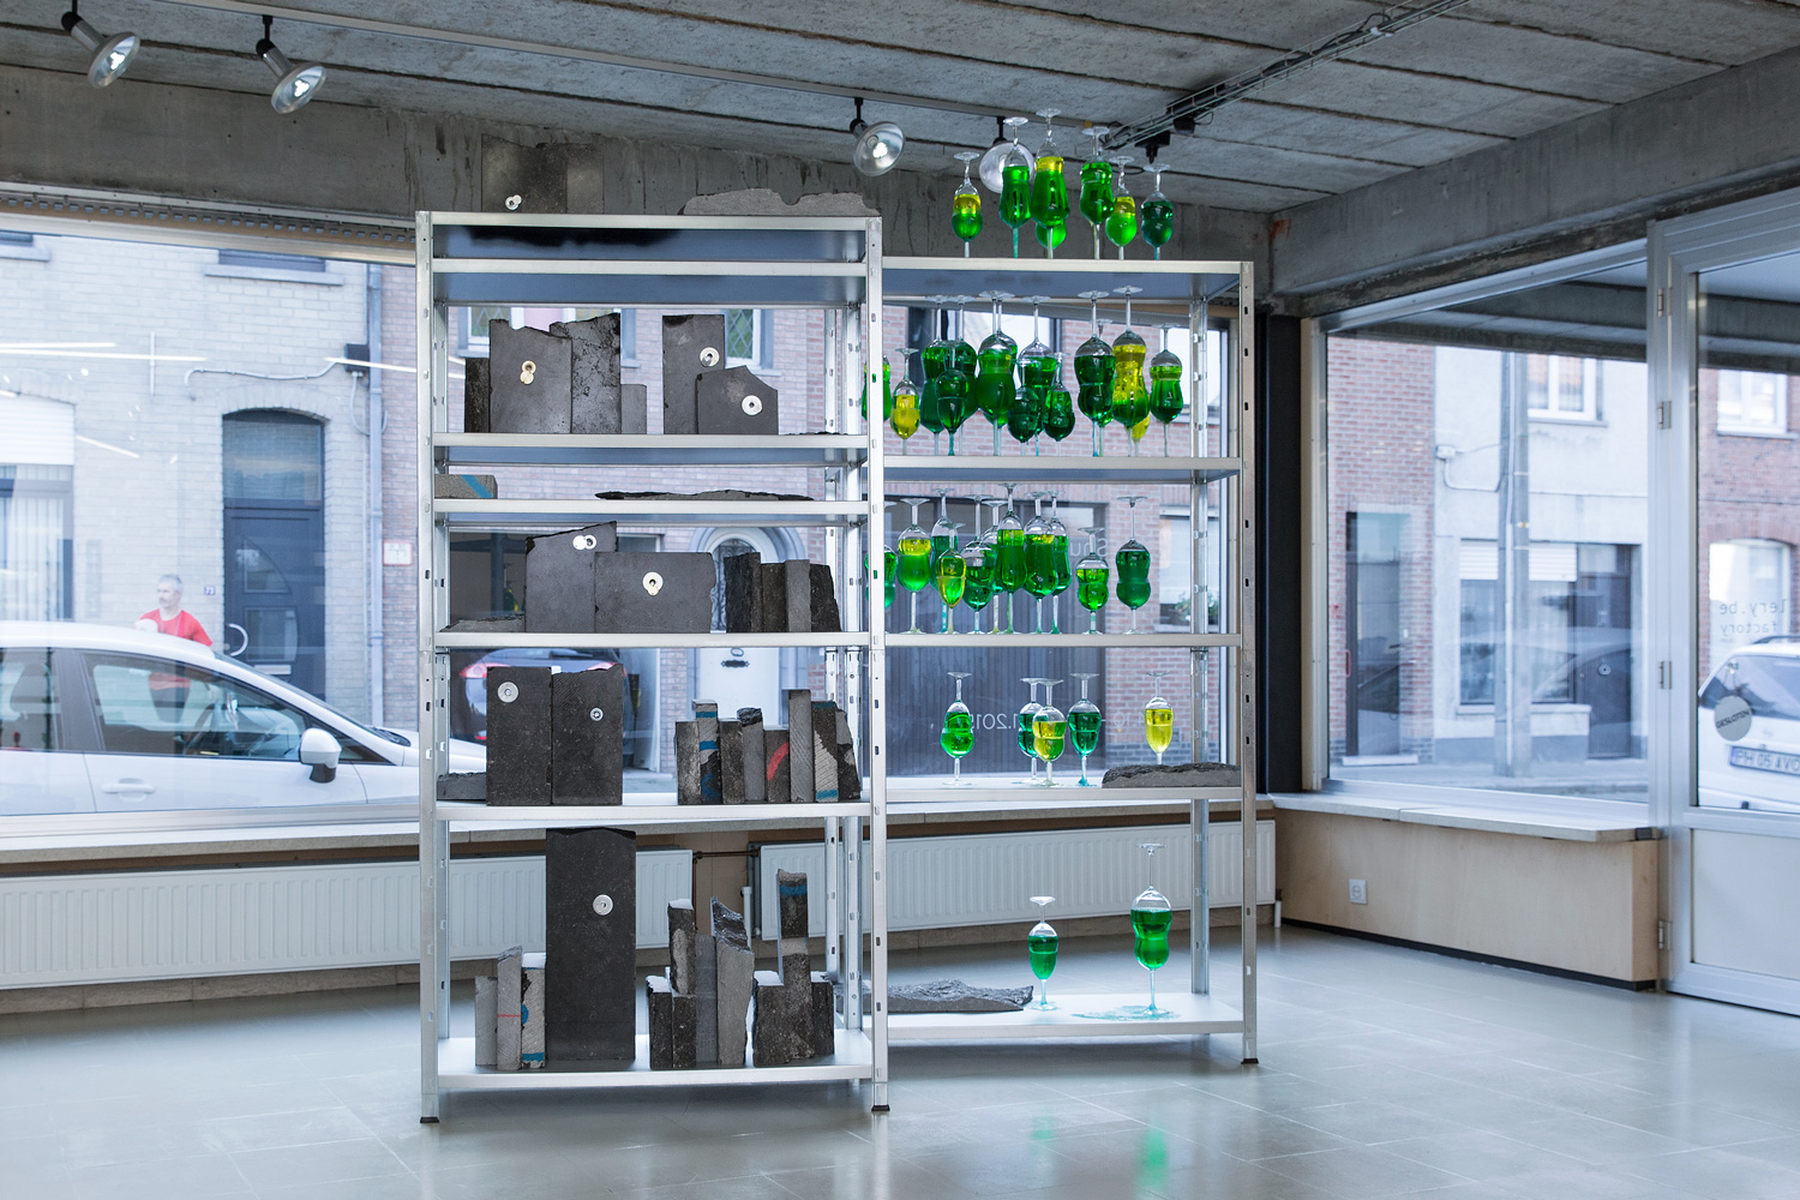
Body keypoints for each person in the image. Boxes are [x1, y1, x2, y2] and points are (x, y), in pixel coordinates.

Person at [137, 574, 211, 722]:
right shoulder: (147, 619)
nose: (161, 596)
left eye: (166, 592)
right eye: (159, 591)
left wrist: (210, 684)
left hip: (178, 684)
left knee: (171, 722)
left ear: (178, 594)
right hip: (154, 683)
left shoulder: (189, 622)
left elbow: (206, 652)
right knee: (162, 722)